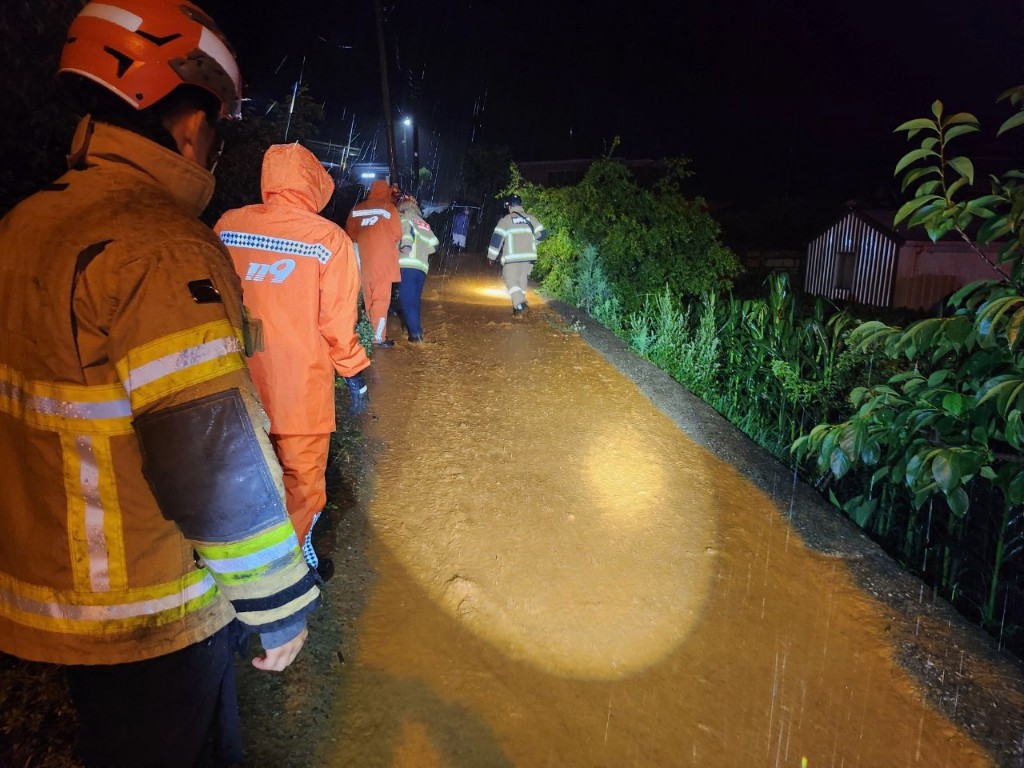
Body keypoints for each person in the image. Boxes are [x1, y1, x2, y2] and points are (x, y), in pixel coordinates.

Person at [0, 2, 320, 766]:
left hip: (57, 587)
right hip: (151, 607)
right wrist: (276, 605)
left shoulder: (24, 226)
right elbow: (210, 455)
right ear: (183, 118)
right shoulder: (160, 247)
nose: (213, 142)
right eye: (216, 121)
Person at [215, 143, 371, 582]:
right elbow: (338, 324)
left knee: (241, 477)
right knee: (301, 484)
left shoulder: (228, 226)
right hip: (299, 392)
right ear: (314, 183)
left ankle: (233, 569)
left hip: (237, 382)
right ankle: (285, 575)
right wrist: (355, 372)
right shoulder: (327, 241)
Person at [345, 179, 402, 347]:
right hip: (383, 265)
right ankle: (378, 337)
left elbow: (351, 234)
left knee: (369, 301)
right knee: (381, 302)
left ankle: (369, 333)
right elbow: (397, 233)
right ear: (386, 192)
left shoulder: (357, 209)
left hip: (364, 264)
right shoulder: (388, 208)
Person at [487, 193, 547, 315]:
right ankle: (520, 306)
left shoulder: (506, 220)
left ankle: (520, 305)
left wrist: (491, 257)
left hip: (512, 258)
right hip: (529, 258)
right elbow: (543, 235)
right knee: (521, 279)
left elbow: (496, 239)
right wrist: (531, 243)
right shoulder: (531, 218)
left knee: (511, 280)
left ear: (509, 206)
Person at [396, 195, 441, 342]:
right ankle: (416, 330)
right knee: (414, 300)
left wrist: (406, 246)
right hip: (421, 268)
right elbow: (434, 245)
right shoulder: (423, 223)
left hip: (406, 263)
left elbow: (406, 233)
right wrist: (421, 252)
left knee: (406, 300)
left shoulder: (403, 217)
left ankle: (415, 335)